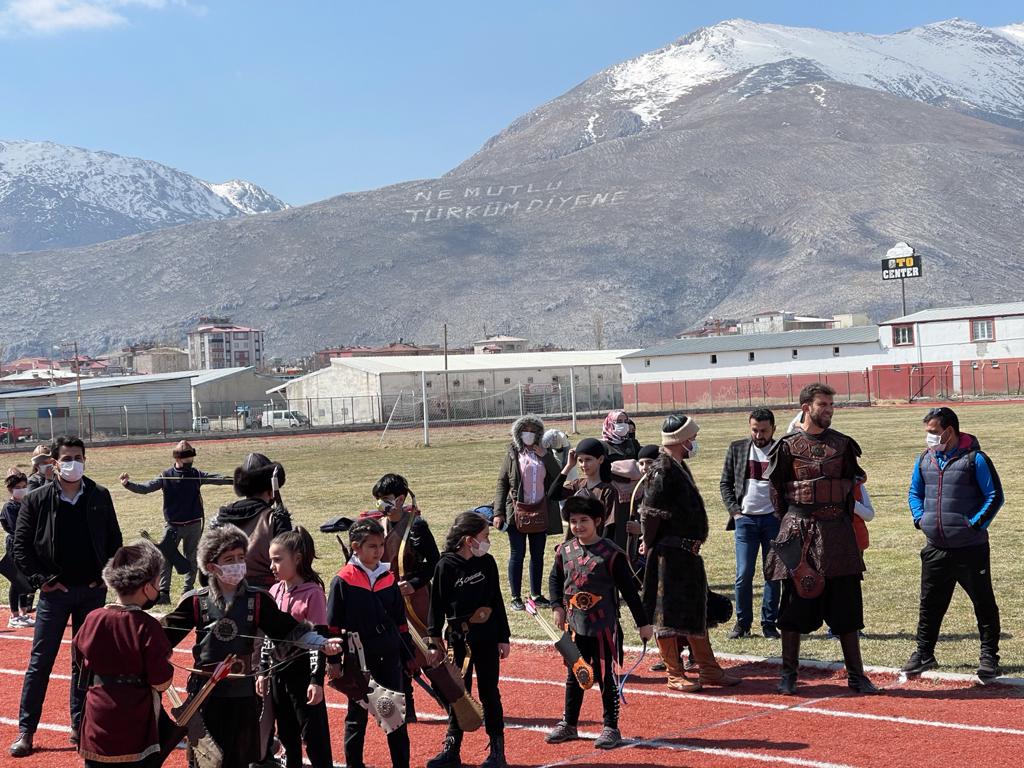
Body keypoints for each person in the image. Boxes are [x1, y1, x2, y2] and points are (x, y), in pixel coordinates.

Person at [162, 524, 341, 768]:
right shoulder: (196, 601)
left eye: (240, 558)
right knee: (205, 759)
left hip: (242, 696)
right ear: (212, 566)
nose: (237, 564)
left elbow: (288, 630)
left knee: (238, 758)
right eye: (229, 559)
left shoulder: (257, 600)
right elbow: (162, 635)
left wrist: (321, 643)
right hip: (205, 696)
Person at [11, 435, 123, 758]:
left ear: (85, 459)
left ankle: (79, 725)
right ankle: (26, 730)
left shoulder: (100, 496)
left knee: (84, 663)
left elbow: (114, 542)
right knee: (40, 662)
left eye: (78, 456)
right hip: (54, 594)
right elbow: (21, 547)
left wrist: (104, 577)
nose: (73, 462)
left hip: (91, 594)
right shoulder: (37, 499)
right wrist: (41, 580)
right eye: (67, 457)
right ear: (55, 462)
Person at [764, 383, 878, 695]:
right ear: (806, 407)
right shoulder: (786, 447)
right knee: (794, 606)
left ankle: (857, 675)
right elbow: (777, 491)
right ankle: (789, 674)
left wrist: (838, 520)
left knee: (847, 607)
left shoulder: (843, 445)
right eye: (823, 404)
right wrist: (792, 523)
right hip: (800, 530)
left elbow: (852, 486)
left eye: (831, 405)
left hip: (838, 533)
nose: (828, 410)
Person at [902, 406, 1004, 682]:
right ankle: (924, 653)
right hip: (935, 547)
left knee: (983, 602)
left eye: (933, 432)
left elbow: (994, 496)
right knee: (929, 604)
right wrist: (920, 518)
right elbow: (914, 492)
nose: (929, 438)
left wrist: (973, 525)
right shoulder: (925, 459)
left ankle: (989, 657)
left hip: (970, 548)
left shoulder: (976, 459)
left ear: (949, 431)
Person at [639, 415, 738, 693]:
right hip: (668, 555)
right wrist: (649, 543)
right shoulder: (663, 470)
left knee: (695, 611)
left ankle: (708, 669)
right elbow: (651, 513)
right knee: (666, 614)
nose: (694, 442)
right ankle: (674, 673)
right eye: (691, 438)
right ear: (682, 440)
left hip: (686, 555)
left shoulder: (678, 467)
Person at [545, 496, 653, 750]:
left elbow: (629, 591)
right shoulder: (565, 551)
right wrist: (557, 606)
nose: (578, 526)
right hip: (575, 626)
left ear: (597, 521)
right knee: (577, 674)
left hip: (603, 626)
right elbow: (554, 580)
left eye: (584, 520)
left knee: (606, 677)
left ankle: (610, 727)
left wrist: (643, 624)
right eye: (573, 521)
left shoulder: (612, 554)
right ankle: (569, 723)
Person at [73, 540, 174, 768]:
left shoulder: (93, 618)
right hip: (133, 715)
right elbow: (161, 680)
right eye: (157, 581)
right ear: (147, 587)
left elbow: (80, 662)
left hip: (97, 710)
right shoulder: (147, 625)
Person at [425, 511, 510, 768]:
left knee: (489, 692)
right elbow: (436, 605)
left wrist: (503, 637)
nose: (487, 542)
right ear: (468, 539)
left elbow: (496, 600)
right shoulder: (445, 566)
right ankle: (452, 749)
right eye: (484, 536)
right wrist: (433, 637)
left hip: (486, 636)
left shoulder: (488, 563)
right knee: (457, 693)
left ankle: (497, 750)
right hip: (458, 639)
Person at [325, 517, 411, 768]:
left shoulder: (388, 577)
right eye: (372, 546)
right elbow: (332, 625)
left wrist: (407, 655)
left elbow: (399, 619)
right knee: (356, 716)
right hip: (358, 656)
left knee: (394, 716)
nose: (378, 551)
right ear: (355, 547)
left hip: (388, 652)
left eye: (381, 545)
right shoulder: (343, 580)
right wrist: (333, 660)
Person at [119, 440, 233, 604]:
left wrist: (234, 479)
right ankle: (164, 593)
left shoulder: (195, 474)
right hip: (173, 526)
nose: (190, 462)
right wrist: (128, 484)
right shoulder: (166, 475)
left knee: (192, 558)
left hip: (193, 525)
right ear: (178, 458)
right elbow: (145, 488)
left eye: (191, 458)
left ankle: (187, 592)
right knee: (167, 558)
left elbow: (217, 478)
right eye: (187, 459)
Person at [257, 528, 332, 768]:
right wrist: (263, 671)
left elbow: (318, 640)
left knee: (315, 738)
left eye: (278, 560)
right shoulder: (274, 591)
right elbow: (269, 636)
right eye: (271, 560)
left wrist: (315, 680)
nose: (272, 566)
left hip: (303, 677)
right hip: (279, 674)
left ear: (297, 559)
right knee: (288, 738)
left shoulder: (313, 594)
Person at [371, 473, 439, 722]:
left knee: (427, 651)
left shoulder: (416, 525)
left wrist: (413, 583)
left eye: (386, 499)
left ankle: (451, 698)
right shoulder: (378, 526)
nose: (382, 504)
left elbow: (434, 562)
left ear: (400, 499)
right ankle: (406, 706)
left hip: (415, 599)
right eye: (379, 499)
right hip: (388, 600)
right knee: (396, 652)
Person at [719, 408, 782, 639]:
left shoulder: (781, 450)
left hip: (773, 521)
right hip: (745, 520)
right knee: (743, 574)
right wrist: (735, 512)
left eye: (764, 430)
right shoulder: (737, 449)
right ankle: (742, 623)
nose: (759, 435)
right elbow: (725, 483)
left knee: (773, 574)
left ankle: (769, 624)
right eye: (755, 430)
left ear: (774, 429)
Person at [493, 415, 562, 611]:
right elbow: (502, 483)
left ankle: (536, 594)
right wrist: (498, 513)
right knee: (517, 553)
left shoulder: (544, 452)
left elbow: (558, 475)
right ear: (518, 432)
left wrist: (545, 456)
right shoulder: (513, 453)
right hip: (516, 512)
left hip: (540, 511)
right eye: (525, 429)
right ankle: (515, 597)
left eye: (533, 430)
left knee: (537, 554)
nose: (529, 434)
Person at [210, 452, 292, 589]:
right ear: (271, 491)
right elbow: (289, 568)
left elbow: (206, 571)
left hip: (227, 594)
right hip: (268, 596)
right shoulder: (276, 519)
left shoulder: (220, 520)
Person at [550, 438, 625, 549]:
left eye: (588, 460)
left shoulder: (607, 490)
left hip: (596, 547)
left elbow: (609, 526)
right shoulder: (578, 484)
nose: (584, 464)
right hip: (575, 546)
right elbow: (553, 494)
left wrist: (600, 550)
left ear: (600, 459)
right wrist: (569, 466)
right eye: (580, 460)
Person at [2, 469, 35, 628]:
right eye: (18, 487)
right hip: (15, 545)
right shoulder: (10, 507)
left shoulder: (26, 503)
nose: (22, 489)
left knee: (24, 579)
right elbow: (17, 528)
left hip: (26, 544)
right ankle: (14, 615)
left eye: (24, 486)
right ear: (11, 489)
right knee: (16, 579)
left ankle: (24, 612)